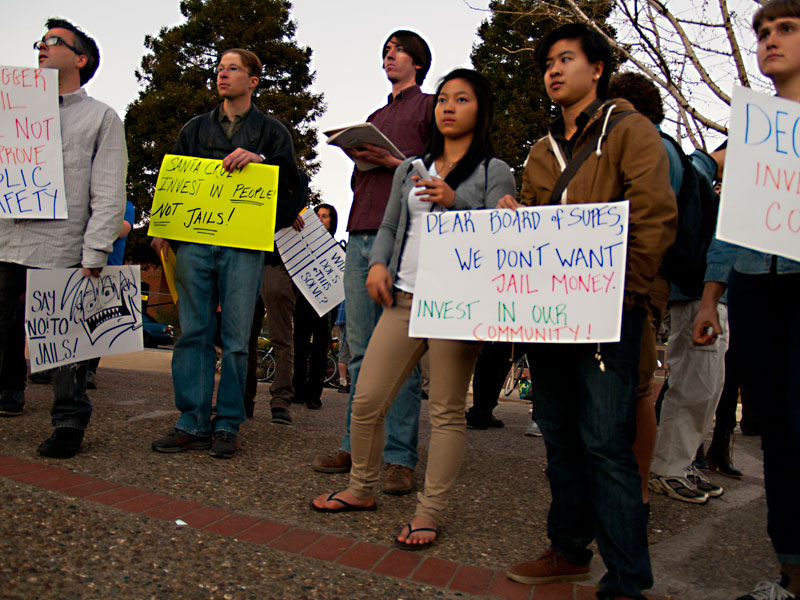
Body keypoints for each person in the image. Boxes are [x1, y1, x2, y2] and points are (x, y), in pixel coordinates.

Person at [497, 23, 677, 599]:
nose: (553, 69)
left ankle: (626, 581)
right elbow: (537, 235)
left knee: (606, 444)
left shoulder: (631, 132)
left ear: (596, 69)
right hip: (548, 320)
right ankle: (569, 550)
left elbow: (653, 218)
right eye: (547, 61)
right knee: (559, 438)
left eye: (566, 58)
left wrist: (624, 298)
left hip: (611, 316)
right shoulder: (540, 152)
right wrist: (513, 215)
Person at [311, 68, 516, 550]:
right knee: (365, 401)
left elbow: (501, 236)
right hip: (402, 298)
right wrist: (378, 264)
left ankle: (429, 512)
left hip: (455, 305)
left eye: (461, 99)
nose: (448, 107)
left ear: (480, 110)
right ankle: (361, 488)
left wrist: (456, 202)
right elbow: (389, 225)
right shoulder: (411, 167)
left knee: (445, 412)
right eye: (443, 98)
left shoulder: (494, 171)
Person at [693, 2, 800, 597]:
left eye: (785, 29)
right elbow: (732, 222)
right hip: (757, 287)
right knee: (778, 432)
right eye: (762, 33)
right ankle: (790, 572)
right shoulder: (753, 129)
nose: (769, 41)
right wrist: (711, 298)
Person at [150, 48, 301, 459]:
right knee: (193, 333)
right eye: (219, 68)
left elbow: (293, 184)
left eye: (233, 68)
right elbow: (175, 179)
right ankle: (192, 422)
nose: (222, 74)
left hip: (244, 247)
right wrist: (163, 227)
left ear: (253, 80)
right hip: (196, 245)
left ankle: (228, 424)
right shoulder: (195, 129)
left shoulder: (272, 132)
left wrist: (261, 161)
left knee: (237, 339)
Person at [312, 30, 435, 496]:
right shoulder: (375, 116)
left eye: (398, 50)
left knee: (398, 355)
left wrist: (391, 160)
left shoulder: (428, 109)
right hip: (359, 233)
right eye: (385, 50)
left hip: (403, 239)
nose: (389, 56)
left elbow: (434, 175)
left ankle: (399, 457)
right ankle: (355, 445)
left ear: (418, 62)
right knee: (359, 352)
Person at [0, 19, 128, 459]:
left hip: (58, 244)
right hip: (5, 239)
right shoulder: (11, 111)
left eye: (54, 41)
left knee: (60, 338)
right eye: (40, 41)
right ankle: (7, 394)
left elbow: (109, 190)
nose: (42, 47)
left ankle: (70, 420)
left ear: (80, 58)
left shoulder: (100, 118)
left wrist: (96, 250)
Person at [606, 72, 724, 506]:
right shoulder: (671, 150)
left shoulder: (650, 149)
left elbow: (644, 219)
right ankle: (651, 478)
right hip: (663, 280)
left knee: (643, 387)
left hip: (649, 280)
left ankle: (647, 483)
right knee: (652, 385)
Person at [291, 203, 338, 410]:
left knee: (319, 348)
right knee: (299, 345)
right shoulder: (302, 245)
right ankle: (298, 391)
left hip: (326, 304)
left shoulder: (337, 249)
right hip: (303, 300)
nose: (320, 219)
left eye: (325, 216)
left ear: (332, 221)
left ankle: (314, 394)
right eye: (317, 215)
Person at [86, 199, 135, 390]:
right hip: (80, 266)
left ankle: (90, 369)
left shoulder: (125, 206)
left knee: (97, 325)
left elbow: (121, 229)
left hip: (107, 271)